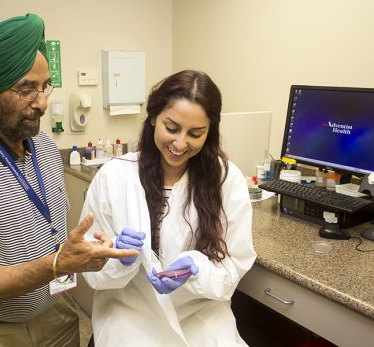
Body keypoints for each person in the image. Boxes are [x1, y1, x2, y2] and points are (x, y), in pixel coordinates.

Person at [0, 13, 138, 347]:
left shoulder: (46, 149)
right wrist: (57, 263)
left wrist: (81, 250)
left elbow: (47, 234)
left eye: (44, 86)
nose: (41, 101)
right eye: (26, 89)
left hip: (57, 316)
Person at [81, 70, 257, 346]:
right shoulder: (114, 176)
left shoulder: (226, 180)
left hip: (200, 315)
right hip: (129, 314)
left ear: (209, 132)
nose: (180, 143)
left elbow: (234, 265)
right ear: (153, 117)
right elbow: (90, 269)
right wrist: (117, 258)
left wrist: (198, 271)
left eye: (195, 133)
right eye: (172, 128)